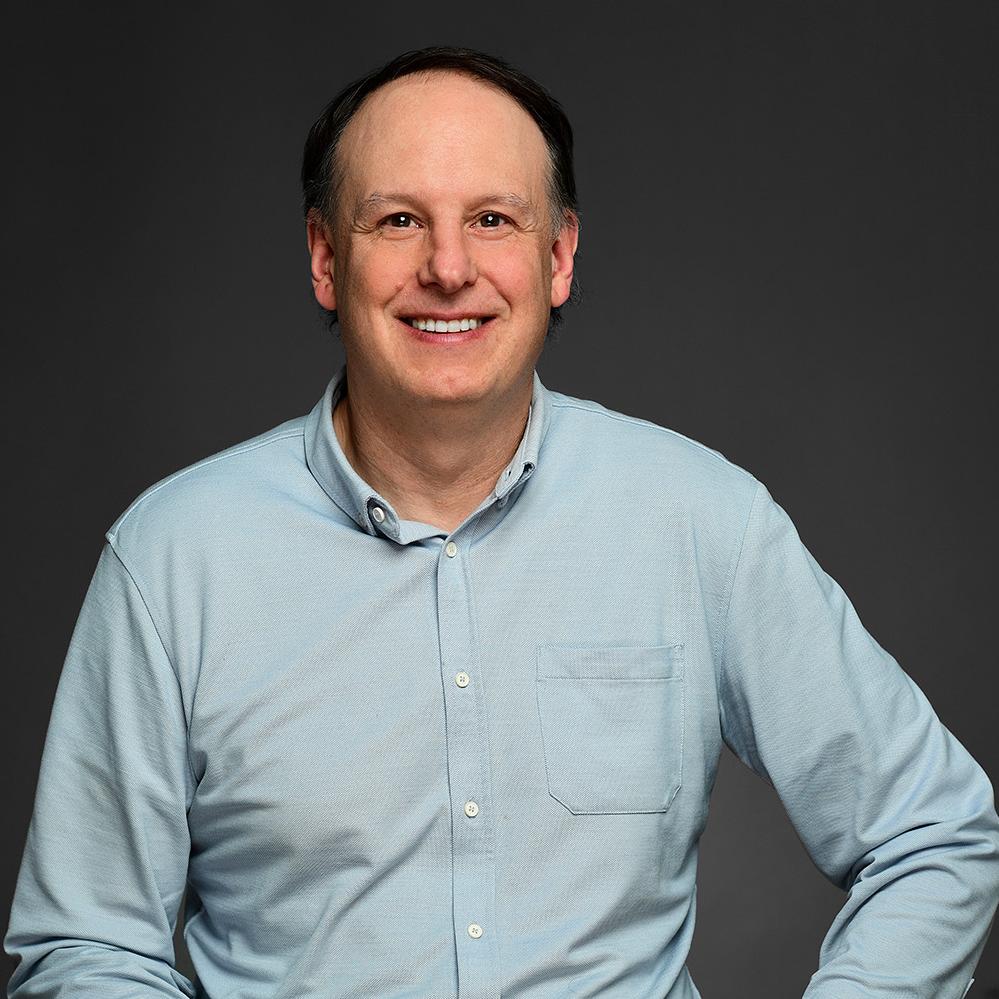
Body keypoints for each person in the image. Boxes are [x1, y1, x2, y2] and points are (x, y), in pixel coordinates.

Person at [5, 44, 999, 999]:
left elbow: (933, 837)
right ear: (323, 257)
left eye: (492, 218)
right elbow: (87, 946)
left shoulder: (700, 523)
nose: (448, 266)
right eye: (398, 220)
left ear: (558, 256)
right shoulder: (173, 560)